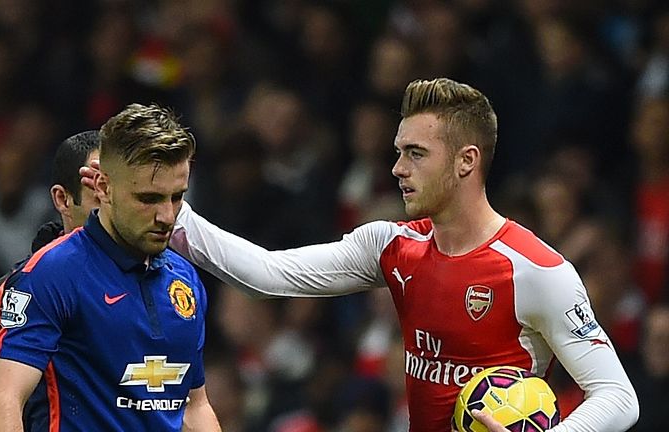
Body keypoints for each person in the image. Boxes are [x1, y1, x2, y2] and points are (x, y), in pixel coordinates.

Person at [165, 78, 639, 431]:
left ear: (466, 161)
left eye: (415, 153)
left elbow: (618, 396)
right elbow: (268, 275)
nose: (397, 168)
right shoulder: (390, 245)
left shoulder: (537, 270)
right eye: (398, 151)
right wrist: (171, 209)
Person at [0, 104, 220, 431]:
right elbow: (1, 402)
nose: (167, 216)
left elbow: (195, 407)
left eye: (176, 197)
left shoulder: (186, 281)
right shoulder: (51, 274)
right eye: (148, 199)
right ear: (104, 188)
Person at [0, 130, 101, 403]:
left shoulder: (171, 284)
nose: (114, 210)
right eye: (98, 197)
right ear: (63, 200)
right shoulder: (4, 299)